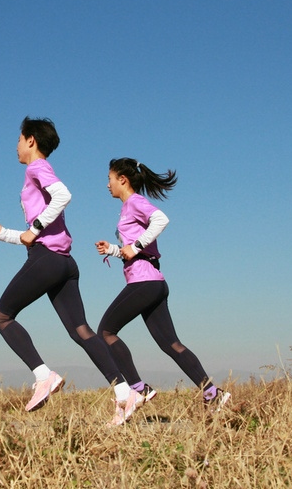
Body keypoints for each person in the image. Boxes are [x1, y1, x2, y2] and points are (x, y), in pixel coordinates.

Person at [0, 118, 142, 424]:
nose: (16, 146)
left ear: (31, 140)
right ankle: (125, 393)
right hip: (64, 263)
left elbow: (63, 197)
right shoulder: (39, 173)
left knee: (2, 317)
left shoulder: (36, 168)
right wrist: (4, 234)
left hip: (47, 260)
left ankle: (44, 375)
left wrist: (34, 228)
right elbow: (35, 235)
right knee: (82, 331)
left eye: (19, 139)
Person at [94, 158, 230, 417]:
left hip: (144, 282)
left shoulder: (134, 202)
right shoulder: (127, 208)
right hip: (153, 281)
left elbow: (161, 219)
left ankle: (138, 388)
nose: (107, 184)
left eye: (109, 179)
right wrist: (113, 249)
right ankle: (213, 393)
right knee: (171, 344)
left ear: (123, 179)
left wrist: (134, 247)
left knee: (106, 332)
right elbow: (135, 250)